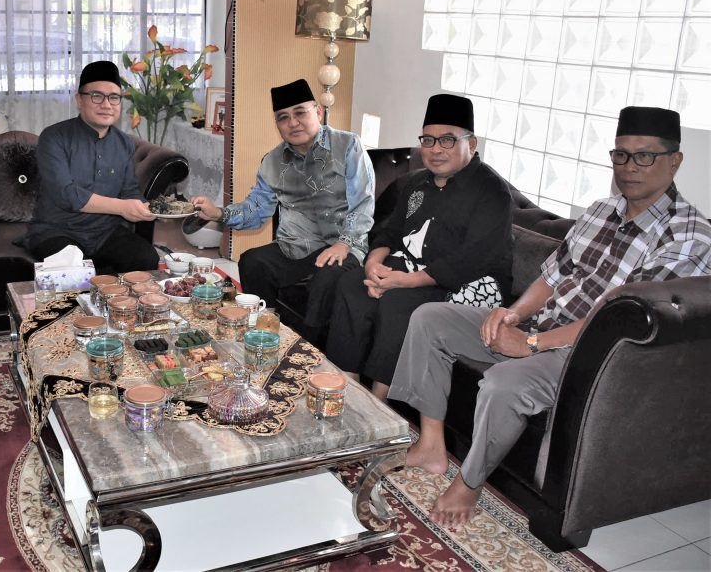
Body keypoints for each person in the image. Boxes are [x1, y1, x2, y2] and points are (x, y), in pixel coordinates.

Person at [388, 106, 711, 528]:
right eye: (621, 155)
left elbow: (617, 319)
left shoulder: (687, 237)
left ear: (675, 160)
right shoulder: (600, 211)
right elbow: (551, 277)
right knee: (430, 318)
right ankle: (432, 444)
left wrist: (531, 344)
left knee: (502, 384)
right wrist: (512, 313)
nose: (630, 167)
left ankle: (469, 482)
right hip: (540, 327)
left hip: (591, 355)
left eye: (645, 156)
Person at [325, 94, 512, 400]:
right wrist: (373, 266)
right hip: (413, 269)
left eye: (447, 140)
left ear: (471, 143)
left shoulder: (492, 191)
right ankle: (348, 385)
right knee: (352, 283)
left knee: (399, 303)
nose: (436, 149)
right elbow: (390, 232)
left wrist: (403, 281)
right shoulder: (416, 183)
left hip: (470, 283)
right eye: (428, 140)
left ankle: (379, 404)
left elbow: (470, 260)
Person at [191, 78, 374, 345]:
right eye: (283, 117)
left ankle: (307, 350)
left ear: (318, 112)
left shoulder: (348, 146)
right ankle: (266, 332)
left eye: (300, 113)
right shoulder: (274, 161)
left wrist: (344, 244)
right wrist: (219, 214)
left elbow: (363, 202)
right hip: (296, 246)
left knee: (326, 278)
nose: (293, 123)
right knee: (253, 261)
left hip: (343, 245)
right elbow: (256, 210)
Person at [26, 60, 158, 273]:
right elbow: (67, 195)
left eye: (114, 97)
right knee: (76, 272)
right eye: (97, 96)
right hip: (56, 231)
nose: (106, 105)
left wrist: (148, 208)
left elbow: (129, 191)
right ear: (79, 100)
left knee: (146, 258)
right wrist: (122, 207)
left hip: (104, 232)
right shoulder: (54, 137)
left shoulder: (124, 143)